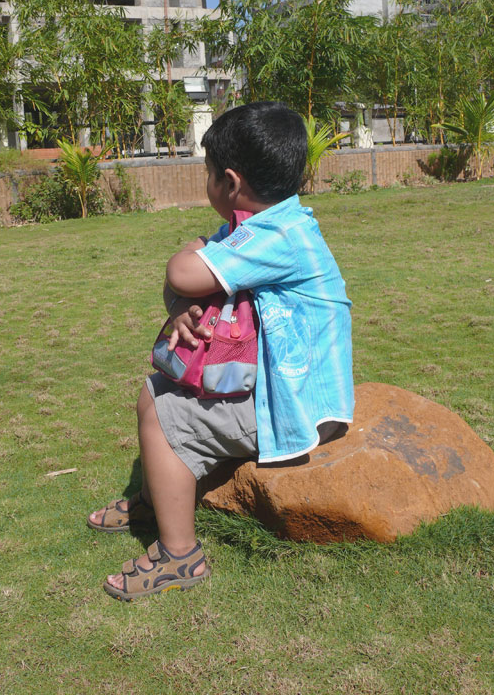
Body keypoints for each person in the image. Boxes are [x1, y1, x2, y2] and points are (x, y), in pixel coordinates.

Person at [87, 101, 355, 601]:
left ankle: (180, 556)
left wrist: (189, 254)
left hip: (294, 407)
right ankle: (155, 498)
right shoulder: (270, 223)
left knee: (163, 411)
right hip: (279, 384)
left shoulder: (277, 235)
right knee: (159, 387)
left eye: (207, 173)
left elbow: (182, 273)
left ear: (229, 182)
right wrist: (180, 308)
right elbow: (185, 287)